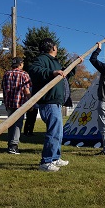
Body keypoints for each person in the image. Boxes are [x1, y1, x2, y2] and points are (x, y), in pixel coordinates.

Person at [29, 38, 83, 172]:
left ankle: (55, 157)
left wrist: (74, 64)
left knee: (58, 132)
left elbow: (65, 74)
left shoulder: (55, 62)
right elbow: (33, 70)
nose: (57, 49)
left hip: (56, 102)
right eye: (56, 47)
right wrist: (52, 73)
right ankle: (46, 162)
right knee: (53, 132)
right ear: (52, 48)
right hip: (48, 101)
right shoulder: (42, 59)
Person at [1, 57, 32, 154]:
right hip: (19, 103)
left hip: (9, 103)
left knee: (10, 124)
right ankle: (14, 146)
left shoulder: (6, 74)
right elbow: (27, 90)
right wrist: (31, 103)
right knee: (18, 125)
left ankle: (10, 144)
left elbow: (4, 89)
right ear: (21, 64)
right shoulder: (24, 74)